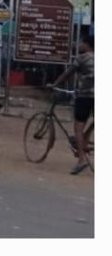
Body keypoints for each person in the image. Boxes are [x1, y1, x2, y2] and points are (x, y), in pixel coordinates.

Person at [51, 33, 94, 174]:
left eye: (82, 43)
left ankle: (81, 160)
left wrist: (55, 84)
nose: (79, 45)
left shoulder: (82, 58)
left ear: (87, 44)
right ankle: (86, 139)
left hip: (85, 96)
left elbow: (68, 73)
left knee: (78, 128)